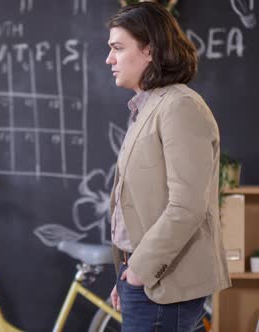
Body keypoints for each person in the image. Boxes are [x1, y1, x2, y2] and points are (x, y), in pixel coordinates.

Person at [105, 3, 231, 331]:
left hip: (161, 285)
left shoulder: (180, 107)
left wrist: (139, 271)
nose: (110, 59)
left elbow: (187, 207)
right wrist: (128, 273)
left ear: (150, 49)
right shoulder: (150, 107)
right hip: (146, 278)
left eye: (118, 48)